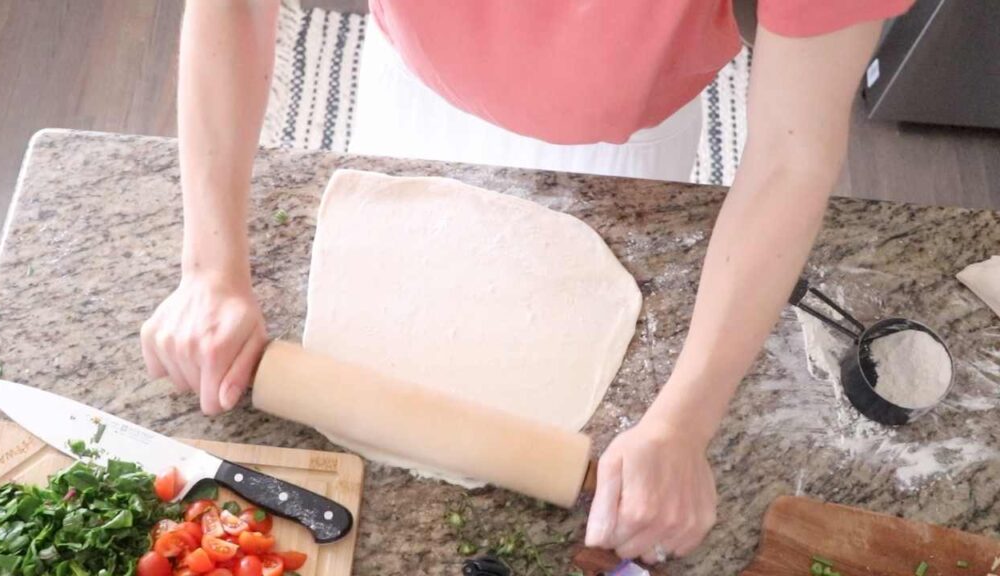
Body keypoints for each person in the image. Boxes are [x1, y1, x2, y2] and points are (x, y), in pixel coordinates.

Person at [141, 0, 914, 564]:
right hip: (410, 80)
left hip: (621, 145)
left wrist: (681, 425)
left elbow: (791, 155)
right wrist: (211, 270)